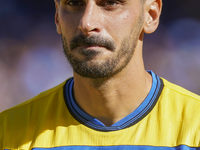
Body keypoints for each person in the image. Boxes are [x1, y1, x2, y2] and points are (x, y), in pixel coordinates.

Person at [0, 0, 200, 149]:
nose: (87, 23)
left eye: (110, 3)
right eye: (74, 3)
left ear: (151, 15)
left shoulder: (194, 127)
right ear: (57, 17)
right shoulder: (8, 133)